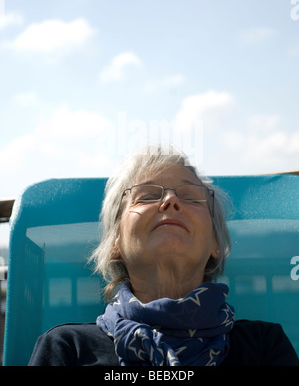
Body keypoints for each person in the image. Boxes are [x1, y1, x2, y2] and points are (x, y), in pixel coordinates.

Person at [29, 145, 299, 366]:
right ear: (115, 242)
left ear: (215, 243)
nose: (171, 200)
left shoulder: (264, 346)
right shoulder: (68, 349)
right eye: (146, 195)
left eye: (192, 197)